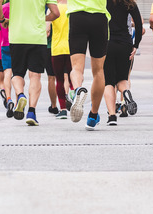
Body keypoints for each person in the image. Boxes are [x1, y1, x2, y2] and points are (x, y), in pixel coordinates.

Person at [0, 0, 60, 126]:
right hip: (38, 38)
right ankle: (31, 112)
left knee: (17, 74)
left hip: (17, 37)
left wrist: (2, 20)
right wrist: (42, 18)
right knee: (35, 76)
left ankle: (20, 95)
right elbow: (56, 13)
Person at [67, 0, 110, 130]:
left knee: (76, 68)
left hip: (77, 16)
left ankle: (78, 89)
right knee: (98, 71)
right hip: (99, 18)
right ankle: (93, 116)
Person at [103, 0, 143, 126]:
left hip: (107, 43)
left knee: (109, 82)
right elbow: (139, 24)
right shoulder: (129, 2)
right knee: (123, 79)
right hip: (125, 44)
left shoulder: (102, 2)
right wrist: (136, 44)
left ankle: (112, 116)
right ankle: (125, 93)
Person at [50, 0, 73, 119]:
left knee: (59, 79)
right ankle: (74, 96)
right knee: (72, 76)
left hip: (57, 48)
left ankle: (63, 109)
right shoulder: (72, 7)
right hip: (72, 47)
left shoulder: (54, 8)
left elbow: (47, 30)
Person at [0, 1, 15, 118]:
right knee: (18, 74)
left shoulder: (3, 8)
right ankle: (18, 101)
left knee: (7, 73)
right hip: (18, 42)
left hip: (5, 44)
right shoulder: (18, 7)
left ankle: (8, 98)